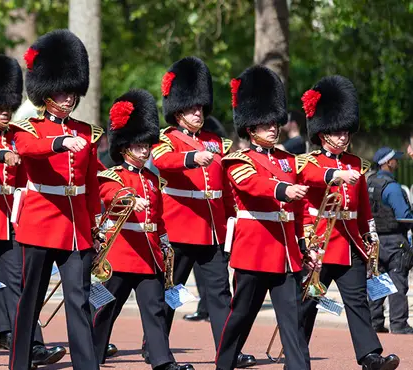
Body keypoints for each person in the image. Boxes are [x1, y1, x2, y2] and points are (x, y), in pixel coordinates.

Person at [215, 66, 350, 370]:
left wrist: (306, 243)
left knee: (292, 318)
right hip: (254, 251)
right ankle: (224, 363)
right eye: (265, 124)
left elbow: (307, 190)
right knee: (241, 315)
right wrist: (283, 190)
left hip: (286, 253)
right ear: (250, 128)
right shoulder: (239, 160)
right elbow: (252, 184)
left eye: (274, 122)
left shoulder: (291, 160)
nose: (273, 128)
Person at [0, 54, 66, 367]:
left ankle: (31, 345)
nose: (6, 113)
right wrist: (4, 153)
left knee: (21, 288)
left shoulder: (20, 135)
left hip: (12, 224)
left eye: (8, 107)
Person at [149, 57, 255, 368]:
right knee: (170, 292)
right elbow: (165, 163)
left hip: (212, 229)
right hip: (181, 227)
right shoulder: (165, 140)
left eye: (200, 108)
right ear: (178, 111)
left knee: (221, 295)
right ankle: (154, 346)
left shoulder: (217, 142)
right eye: (192, 108)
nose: (198, 113)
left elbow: (225, 186)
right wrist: (192, 157)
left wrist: (234, 220)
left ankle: (228, 352)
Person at [8, 29, 103, 370]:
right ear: (46, 93)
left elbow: (92, 181)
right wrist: (60, 144)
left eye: (71, 93)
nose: (67, 99)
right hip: (41, 221)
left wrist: (100, 216)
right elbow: (28, 150)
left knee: (78, 300)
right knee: (29, 300)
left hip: (76, 226)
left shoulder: (86, 131)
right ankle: (19, 363)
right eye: (61, 92)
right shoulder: (29, 129)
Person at [299, 75, 400, 369]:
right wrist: (334, 176)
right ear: (322, 133)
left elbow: (362, 205)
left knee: (357, 302)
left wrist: (370, 233)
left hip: (350, 242)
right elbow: (309, 177)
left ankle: (369, 355)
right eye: (336, 131)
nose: (343, 136)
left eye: (346, 131)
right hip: (321, 244)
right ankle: (297, 355)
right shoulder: (311, 161)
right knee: (309, 302)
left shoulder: (355, 163)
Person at [91, 89, 194, 370]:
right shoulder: (112, 175)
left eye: (147, 145)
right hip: (122, 253)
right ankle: (92, 355)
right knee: (106, 308)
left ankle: (162, 361)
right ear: (124, 148)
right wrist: (128, 198)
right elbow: (111, 195)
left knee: (155, 309)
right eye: (139, 146)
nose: (145, 150)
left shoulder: (151, 179)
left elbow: (158, 218)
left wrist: (164, 243)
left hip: (149, 255)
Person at [367, 147, 413, 335]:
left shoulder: (369, 182)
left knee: (378, 280)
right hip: (395, 241)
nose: (398, 162)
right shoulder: (392, 187)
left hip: (374, 239)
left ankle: (375, 322)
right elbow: (404, 217)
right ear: (387, 163)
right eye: (395, 160)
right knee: (397, 282)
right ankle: (399, 324)